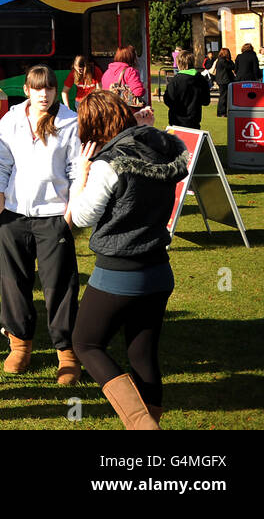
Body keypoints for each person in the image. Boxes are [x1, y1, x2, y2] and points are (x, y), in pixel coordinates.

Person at [68, 90, 189, 429]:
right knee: (142, 353)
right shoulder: (160, 148)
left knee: (86, 343)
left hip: (120, 271)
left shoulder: (109, 163)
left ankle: (141, 424)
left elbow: (80, 216)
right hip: (158, 270)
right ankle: (151, 421)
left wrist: (82, 172)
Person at [0, 65, 83, 385]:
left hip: (55, 216)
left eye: (49, 89)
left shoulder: (70, 121)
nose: (44, 94)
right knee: (13, 283)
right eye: (37, 88)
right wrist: (1, 204)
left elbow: (77, 171)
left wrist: (68, 216)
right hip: (14, 216)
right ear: (27, 89)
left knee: (60, 285)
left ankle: (67, 353)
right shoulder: (12, 119)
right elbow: (0, 164)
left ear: (56, 91)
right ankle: (20, 344)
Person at [162, 51, 211, 129]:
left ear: (178, 63)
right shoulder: (201, 80)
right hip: (194, 120)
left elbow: (168, 100)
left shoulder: (175, 81)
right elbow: (206, 101)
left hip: (176, 121)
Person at [210, 47, 235, 116]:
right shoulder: (223, 61)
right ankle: (221, 112)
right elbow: (232, 67)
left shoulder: (220, 60)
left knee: (223, 96)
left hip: (221, 80)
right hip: (224, 80)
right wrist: (230, 60)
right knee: (223, 97)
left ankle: (222, 112)